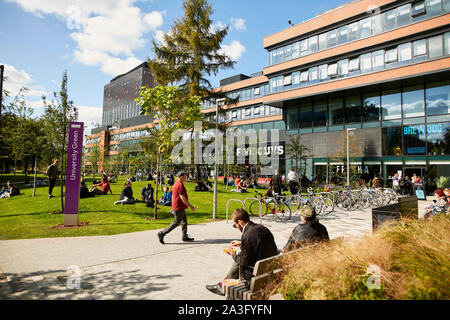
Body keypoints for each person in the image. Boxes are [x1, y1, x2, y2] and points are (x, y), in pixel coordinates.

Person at [205, 208, 279, 296]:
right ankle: (223, 285)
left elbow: (244, 260)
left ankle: (223, 286)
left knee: (239, 258)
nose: (235, 227)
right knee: (241, 255)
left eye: (235, 225)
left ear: (240, 222)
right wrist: (241, 243)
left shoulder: (247, 235)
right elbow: (257, 244)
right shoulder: (262, 228)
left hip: (255, 277)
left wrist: (233, 254)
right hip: (269, 268)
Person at [158, 171, 195, 244]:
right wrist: (190, 206)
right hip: (178, 207)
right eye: (185, 177)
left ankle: (184, 236)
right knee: (176, 222)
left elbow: (173, 196)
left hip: (178, 206)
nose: (186, 178)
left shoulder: (176, 184)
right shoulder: (180, 185)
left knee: (184, 221)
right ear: (181, 177)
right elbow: (182, 197)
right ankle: (162, 233)